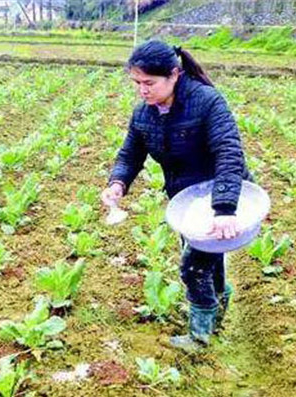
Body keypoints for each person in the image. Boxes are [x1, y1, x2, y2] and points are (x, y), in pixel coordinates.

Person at [101, 40, 252, 351]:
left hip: (221, 195)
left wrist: (224, 208)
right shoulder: (144, 115)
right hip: (187, 200)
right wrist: (118, 182)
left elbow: (229, 152)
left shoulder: (207, 102)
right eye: (137, 83)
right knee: (204, 253)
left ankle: (200, 335)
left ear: (174, 75)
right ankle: (219, 303)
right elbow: (130, 154)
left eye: (149, 83)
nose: (143, 90)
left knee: (193, 266)